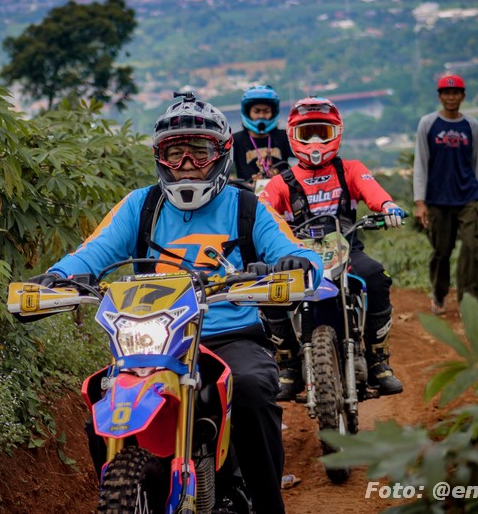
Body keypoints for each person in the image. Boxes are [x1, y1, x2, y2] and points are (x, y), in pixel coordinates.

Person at [31, 92, 323, 512]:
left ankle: (266, 505)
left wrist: (295, 264)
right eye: (175, 153)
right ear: (160, 157)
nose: (186, 163)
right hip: (152, 340)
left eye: (199, 152)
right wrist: (58, 277)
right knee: (102, 400)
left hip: (229, 334)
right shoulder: (140, 205)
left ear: (221, 154)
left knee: (251, 390)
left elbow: (296, 252)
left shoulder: (247, 206)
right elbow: (92, 252)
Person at [259, 96, 407, 398]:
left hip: (347, 250)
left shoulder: (350, 169)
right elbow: (262, 211)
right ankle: (287, 365)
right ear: (293, 136)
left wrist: (388, 207)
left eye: (322, 133)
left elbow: (373, 191)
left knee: (376, 276)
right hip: (298, 256)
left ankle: (378, 360)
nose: (315, 141)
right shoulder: (280, 182)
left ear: (336, 133)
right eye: (307, 133)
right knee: (272, 289)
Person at [413, 74, 478, 315]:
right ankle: (439, 294)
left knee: (471, 247)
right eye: (446, 93)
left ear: (463, 96)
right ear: (440, 96)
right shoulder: (428, 124)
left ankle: (469, 302)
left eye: (455, 93)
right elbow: (420, 164)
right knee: (441, 252)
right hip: (437, 199)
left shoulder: (471, 125)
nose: (451, 97)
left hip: (468, 196)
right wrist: (420, 202)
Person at [232, 85, 294, 184]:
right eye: (256, 111)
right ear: (248, 112)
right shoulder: (236, 140)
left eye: (266, 111)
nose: (261, 115)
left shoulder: (284, 136)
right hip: (248, 192)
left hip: (281, 190)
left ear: (273, 113)